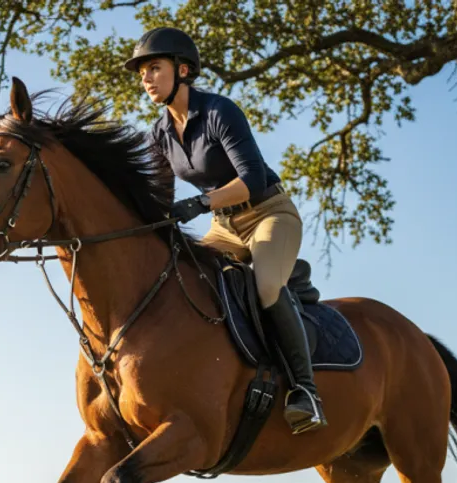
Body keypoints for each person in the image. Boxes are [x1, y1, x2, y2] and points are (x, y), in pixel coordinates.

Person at [124, 27, 326, 434]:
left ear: (183, 71)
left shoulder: (219, 112)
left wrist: (198, 203)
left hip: (268, 213)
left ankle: (306, 392)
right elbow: (156, 195)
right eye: (142, 72)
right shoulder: (159, 134)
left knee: (267, 288)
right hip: (225, 227)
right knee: (189, 281)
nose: (145, 79)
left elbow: (251, 179)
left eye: (154, 68)